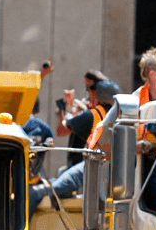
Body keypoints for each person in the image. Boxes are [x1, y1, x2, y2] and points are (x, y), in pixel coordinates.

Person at [32, 79, 121, 210]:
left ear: (97, 96)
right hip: (112, 169)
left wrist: (67, 109)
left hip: (92, 164)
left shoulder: (91, 114)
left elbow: (63, 129)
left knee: (57, 186)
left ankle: (39, 195)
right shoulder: (119, 117)